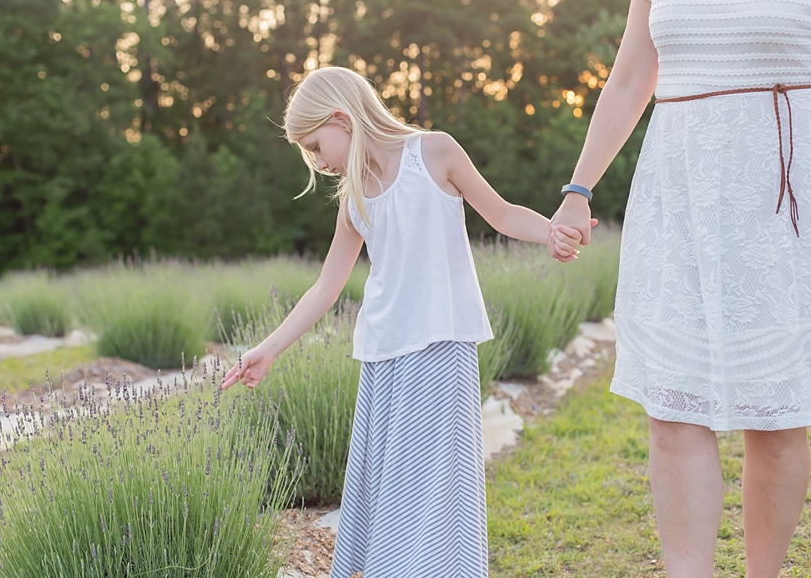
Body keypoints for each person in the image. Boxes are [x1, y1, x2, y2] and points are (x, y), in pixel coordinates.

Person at [548, 0, 811, 578]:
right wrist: (578, 189)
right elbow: (629, 81)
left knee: (776, 413)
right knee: (673, 406)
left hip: (785, 199)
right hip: (681, 193)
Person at [222, 65, 569, 578]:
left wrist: (552, 232)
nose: (317, 162)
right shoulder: (353, 198)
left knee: (437, 480)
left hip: (442, 344)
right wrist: (269, 348)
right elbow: (326, 286)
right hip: (384, 355)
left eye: (317, 146)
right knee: (392, 481)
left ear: (343, 119)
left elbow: (502, 214)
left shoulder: (436, 152)